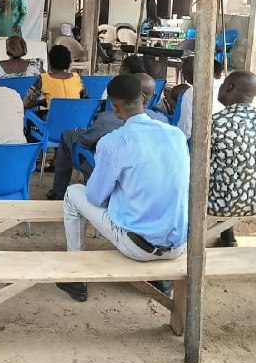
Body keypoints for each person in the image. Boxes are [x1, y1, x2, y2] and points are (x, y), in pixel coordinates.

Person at [57, 74, 190, 303]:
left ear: (115, 108)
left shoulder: (114, 141)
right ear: (145, 98)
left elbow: (96, 198)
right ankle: (162, 279)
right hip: (178, 246)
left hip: (138, 247)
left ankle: (76, 274)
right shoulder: (176, 135)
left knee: (72, 194)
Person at [46, 73, 168, 201]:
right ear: (152, 96)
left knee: (68, 139)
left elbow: (84, 141)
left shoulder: (108, 124)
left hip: (109, 183)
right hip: (148, 192)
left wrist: (80, 132)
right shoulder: (164, 123)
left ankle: (58, 192)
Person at [210, 70, 256, 247]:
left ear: (230, 87)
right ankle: (227, 235)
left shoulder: (216, 123)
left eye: (223, 84)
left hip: (218, 204)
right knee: (228, 170)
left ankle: (174, 242)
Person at [24, 45, 86, 111]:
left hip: (54, 120)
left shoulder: (43, 78)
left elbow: (26, 103)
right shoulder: (77, 78)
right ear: (68, 62)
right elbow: (84, 99)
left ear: (50, 63)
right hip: (76, 119)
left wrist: (41, 102)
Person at [177, 57, 225, 140]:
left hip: (203, 142)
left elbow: (185, 132)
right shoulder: (225, 86)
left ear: (186, 77)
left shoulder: (191, 93)